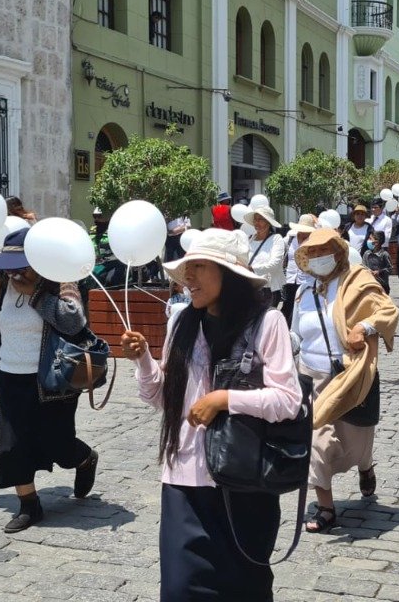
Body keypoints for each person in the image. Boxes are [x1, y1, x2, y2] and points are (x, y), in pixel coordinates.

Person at [117, 229, 302, 601]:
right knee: (179, 589)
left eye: (199, 267)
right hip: (184, 480)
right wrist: (142, 360)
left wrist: (224, 399)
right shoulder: (182, 323)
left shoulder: (267, 324)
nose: (188, 277)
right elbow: (159, 397)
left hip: (244, 479)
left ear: (229, 274)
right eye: (187, 268)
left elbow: (288, 400)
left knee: (245, 588)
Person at [0, 228, 101, 533]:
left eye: (21, 266)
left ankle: (83, 458)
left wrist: (36, 294)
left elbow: (73, 322)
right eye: (10, 267)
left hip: (52, 380)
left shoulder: (62, 281)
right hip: (9, 375)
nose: (14, 272)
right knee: (12, 445)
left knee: (56, 442)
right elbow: (0, 330)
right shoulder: (4, 284)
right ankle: (29, 505)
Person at [292, 228, 398, 533]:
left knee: (357, 442)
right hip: (311, 376)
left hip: (348, 373)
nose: (317, 257)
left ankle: (366, 466)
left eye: (322, 250)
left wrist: (364, 327)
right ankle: (326, 508)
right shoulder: (304, 291)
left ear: (337, 251)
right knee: (315, 443)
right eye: (311, 252)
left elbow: (387, 311)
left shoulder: (358, 282)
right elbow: (296, 333)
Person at [243, 206, 286, 306]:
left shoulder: (276, 239)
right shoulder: (250, 239)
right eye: (255, 220)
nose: (257, 223)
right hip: (249, 287)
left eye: (260, 220)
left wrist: (252, 269)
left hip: (268, 290)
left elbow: (275, 264)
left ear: (268, 222)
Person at [281, 214, 317, 324]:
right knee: (287, 307)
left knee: (303, 307)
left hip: (307, 280)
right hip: (290, 279)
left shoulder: (315, 242)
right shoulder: (290, 239)